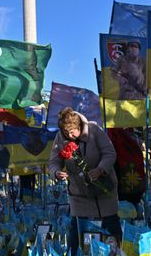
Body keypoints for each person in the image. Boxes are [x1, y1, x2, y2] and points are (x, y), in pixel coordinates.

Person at [48, 107, 121, 255]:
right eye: (66, 132)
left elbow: (110, 154)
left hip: (104, 192)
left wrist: (100, 169)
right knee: (78, 233)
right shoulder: (60, 137)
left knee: (111, 227)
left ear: (79, 126)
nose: (70, 135)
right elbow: (53, 161)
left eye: (73, 131)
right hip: (79, 194)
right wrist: (56, 172)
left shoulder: (95, 130)